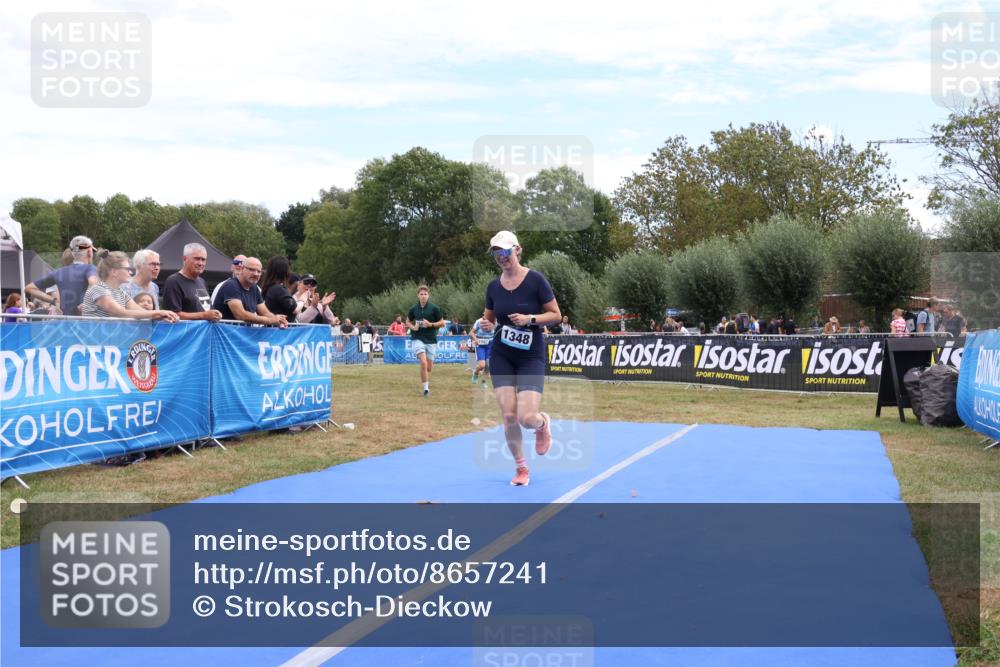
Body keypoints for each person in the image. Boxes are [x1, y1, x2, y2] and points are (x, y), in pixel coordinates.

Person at [482, 231, 560, 487]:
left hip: (531, 356)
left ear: (517, 249)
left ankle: (542, 424)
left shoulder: (536, 280)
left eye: (505, 251)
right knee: (508, 415)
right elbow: (489, 319)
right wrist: (484, 325)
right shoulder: (493, 287)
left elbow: (556, 315)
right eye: (496, 253)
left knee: (527, 417)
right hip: (502, 354)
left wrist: (531, 320)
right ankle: (521, 468)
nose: (501, 257)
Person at [80, 251, 179, 322]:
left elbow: (139, 311)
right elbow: (121, 313)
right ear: (114, 271)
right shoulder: (98, 289)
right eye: (127, 269)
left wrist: (162, 316)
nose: (131, 272)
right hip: (94, 346)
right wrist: (158, 313)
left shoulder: (120, 292)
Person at [25, 235, 98, 316]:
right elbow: (93, 283)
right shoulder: (90, 268)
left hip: (64, 323)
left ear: (73, 254)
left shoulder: (58, 272)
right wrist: (87, 302)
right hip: (85, 323)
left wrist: (54, 301)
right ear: (89, 252)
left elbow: (29, 288)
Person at [212, 256, 287, 327]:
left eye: (259, 271)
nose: (256, 274)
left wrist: (279, 320)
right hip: (225, 336)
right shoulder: (231, 285)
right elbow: (240, 315)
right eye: (252, 269)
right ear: (241, 269)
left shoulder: (254, 288)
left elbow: (265, 313)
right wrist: (270, 320)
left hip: (241, 336)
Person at [162, 243, 223, 321]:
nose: (200, 263)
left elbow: (207, 311)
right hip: (184, 332)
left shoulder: (202, 281)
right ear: (184, 259)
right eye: (197, 259)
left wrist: (215, 315)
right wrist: (204, 315)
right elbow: (172, 314)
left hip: (203, 332)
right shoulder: (173, 281)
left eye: (203, 259)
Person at [407, 285, 445, 397]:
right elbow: (408, 321)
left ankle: (424, 374)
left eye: (425, 294)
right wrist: (413, 328)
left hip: (431, 340)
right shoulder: (414, 308)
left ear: (428, 296)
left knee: (428, 368)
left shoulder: (434, 308)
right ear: (418, 296)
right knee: (423, 363)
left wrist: (430, 324)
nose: (423, 296)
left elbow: (442, 323)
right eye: (421, 294)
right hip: (417, 338)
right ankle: (426, 389)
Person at [260, 256, 302, 320]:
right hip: (280, 328)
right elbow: (294, 309)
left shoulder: (270, 287)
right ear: (284, 271)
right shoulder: (278, 289)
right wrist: (303, 300)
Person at [470, 308, 494, 386]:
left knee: (488, 365)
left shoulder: (495, 322)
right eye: (485, 314)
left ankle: (483, 382)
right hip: (481, 346)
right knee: (482, 365)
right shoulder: (479, 321)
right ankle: (476, 373)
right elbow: (471, 333)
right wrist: (475, 339)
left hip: (491, 345)